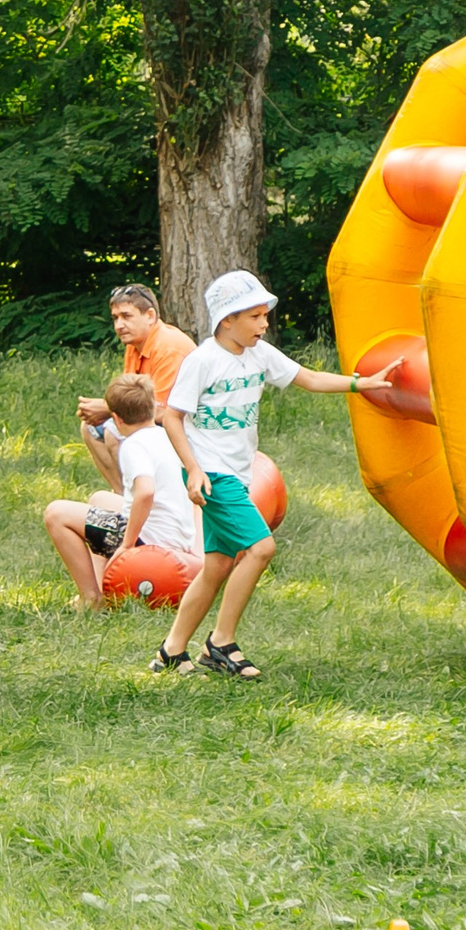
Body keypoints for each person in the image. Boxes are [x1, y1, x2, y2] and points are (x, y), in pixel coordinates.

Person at [153, 270, 399, 677]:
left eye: (265, 315)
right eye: (255, 316)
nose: (264, 324)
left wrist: (362, 384)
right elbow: (173, 417)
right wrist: (194, 469)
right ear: (226, 320)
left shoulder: (260, 355)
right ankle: (220, 643)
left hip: (237, 471)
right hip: (212, 475)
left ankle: (171, 650)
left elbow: (310, 378)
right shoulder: (203, 361)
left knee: (216, 565)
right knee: (262, 548)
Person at [43, 374, 202, 610]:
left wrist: (127, 544)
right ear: (151, 408)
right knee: (100, 499)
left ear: (115, 418)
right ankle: (102, 588)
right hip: (177, 533)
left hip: (150, 540)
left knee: (56, 513)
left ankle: (90, 597)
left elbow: (145, 492)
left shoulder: (134, 445)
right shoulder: (167, 436)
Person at [76, 284, 196, 486]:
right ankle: (123, 497)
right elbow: (130, 396)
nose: (119, 325)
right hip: (157, 422)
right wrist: (105, 410)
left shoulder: (169, 347)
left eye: (126, 316)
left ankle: (139, 499)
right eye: (115, 318)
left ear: (150, 316)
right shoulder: (135, 344)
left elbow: (162, 412)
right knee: (89, 427)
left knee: (114, 432)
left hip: (189, 428)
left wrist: (107, 409)